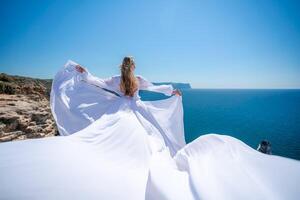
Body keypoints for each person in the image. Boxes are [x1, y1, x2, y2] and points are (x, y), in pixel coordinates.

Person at [0, 57, 300, 200]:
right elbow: (155, 86)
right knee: (154, 142)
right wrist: (173, 91)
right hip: (138, 112)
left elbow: (93, 82)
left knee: (114, 139)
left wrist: (83, 72)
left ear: (121, 67)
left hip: (121, 113)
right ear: (133, 68)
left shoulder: (115, 80)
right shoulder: (136, 79)